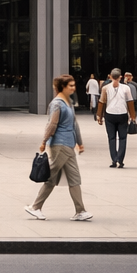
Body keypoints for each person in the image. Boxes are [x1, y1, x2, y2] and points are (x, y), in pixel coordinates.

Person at [25, 75, 92, 222]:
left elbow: (75, 125)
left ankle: (80, 210)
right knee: (52, 177)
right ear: (62, 87)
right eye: (71, 86)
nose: (74, 88)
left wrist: (79, 143)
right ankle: (35, 207)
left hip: (68, 144)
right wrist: (44, 141)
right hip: (59, 145)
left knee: (73, 178)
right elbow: (52, 125)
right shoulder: (57, 104)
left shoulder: (68, 102)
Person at [96, 68, 134, 168]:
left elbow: (102, 102)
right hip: (122, 114)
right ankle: (120, 160)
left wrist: (99, 116)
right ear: (121, 77)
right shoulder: (126, 88)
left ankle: (114, 159)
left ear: (110, 77)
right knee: (123, 138)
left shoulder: (105, 88)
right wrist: (133, 116)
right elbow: (130, 102)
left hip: (110, 114)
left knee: (111, 138)